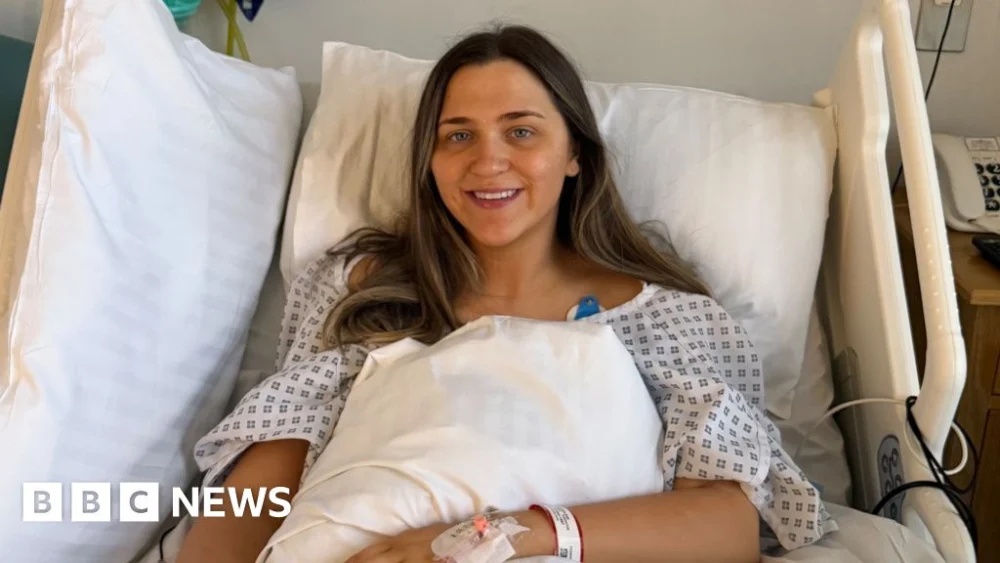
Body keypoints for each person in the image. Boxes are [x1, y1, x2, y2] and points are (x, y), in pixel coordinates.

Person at [177, 24, 833, 563]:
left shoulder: (669, 319)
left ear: (575, 155)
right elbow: (272, 468)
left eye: (521, 130)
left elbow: (726, 528)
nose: (487, 161)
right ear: (430, 162)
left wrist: (502, 536)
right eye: (458, 135)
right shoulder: (364, 289)